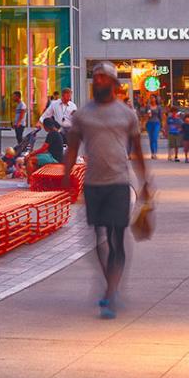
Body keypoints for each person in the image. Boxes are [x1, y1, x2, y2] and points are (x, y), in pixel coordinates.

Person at [62, 61, 151, 320]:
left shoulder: (126, 114)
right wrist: (66, 176)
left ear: (114, 83)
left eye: (103, 78)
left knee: (116, 237)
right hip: (93, 184)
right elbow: (72, 148)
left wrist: (146, 182)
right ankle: (109, 283)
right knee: (97, 239)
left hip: (119, 183)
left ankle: (111, 291)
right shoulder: (82, 115)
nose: (97, 81)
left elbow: (137, 150)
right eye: (95, 77)